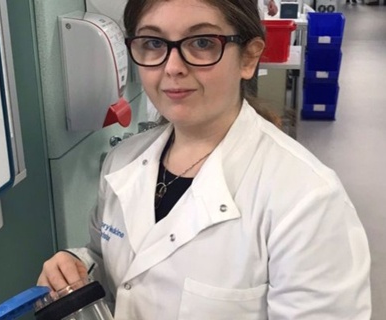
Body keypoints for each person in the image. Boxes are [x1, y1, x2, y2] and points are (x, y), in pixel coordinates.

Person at [38, 0, 371, 318]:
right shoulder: (122, 161)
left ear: (249, 58)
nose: (172, 67)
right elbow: (108, 259)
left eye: (201, 42)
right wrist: (76, 264)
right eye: (153, 43)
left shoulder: (307, 198)